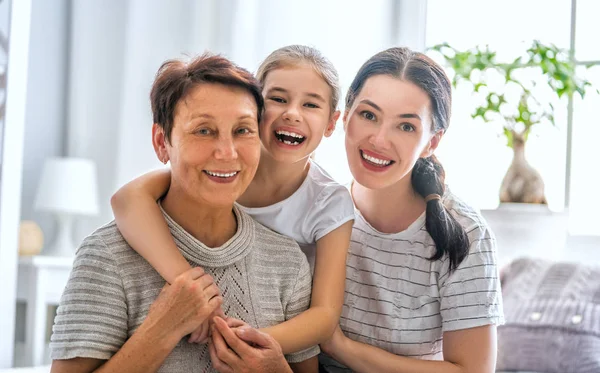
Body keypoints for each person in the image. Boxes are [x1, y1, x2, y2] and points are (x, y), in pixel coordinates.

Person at [49, 53, 314, 373]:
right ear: (162, 142)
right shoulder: (106, 256)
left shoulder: (287, 261)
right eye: (204, 131)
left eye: (243, 130)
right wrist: (162, 328)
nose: (227, 152)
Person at [110, 45, 355, 370]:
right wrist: (191, 291)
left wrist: (240, 340)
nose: (292, 113)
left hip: (276, 334)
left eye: (310, 104)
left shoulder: (329, 202)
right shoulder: (224, 170)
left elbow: (324, 316)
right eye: (278, 99)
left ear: (331, 122)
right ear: (253, 108)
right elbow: (127, 200)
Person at [318, 47, 505, 372]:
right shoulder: (316, 206)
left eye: (405, 127)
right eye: (368, 115)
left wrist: (341, 347)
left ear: (432, 142)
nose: (378, 139)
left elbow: (473, 370)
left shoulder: (465, 232)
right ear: (344, 117)